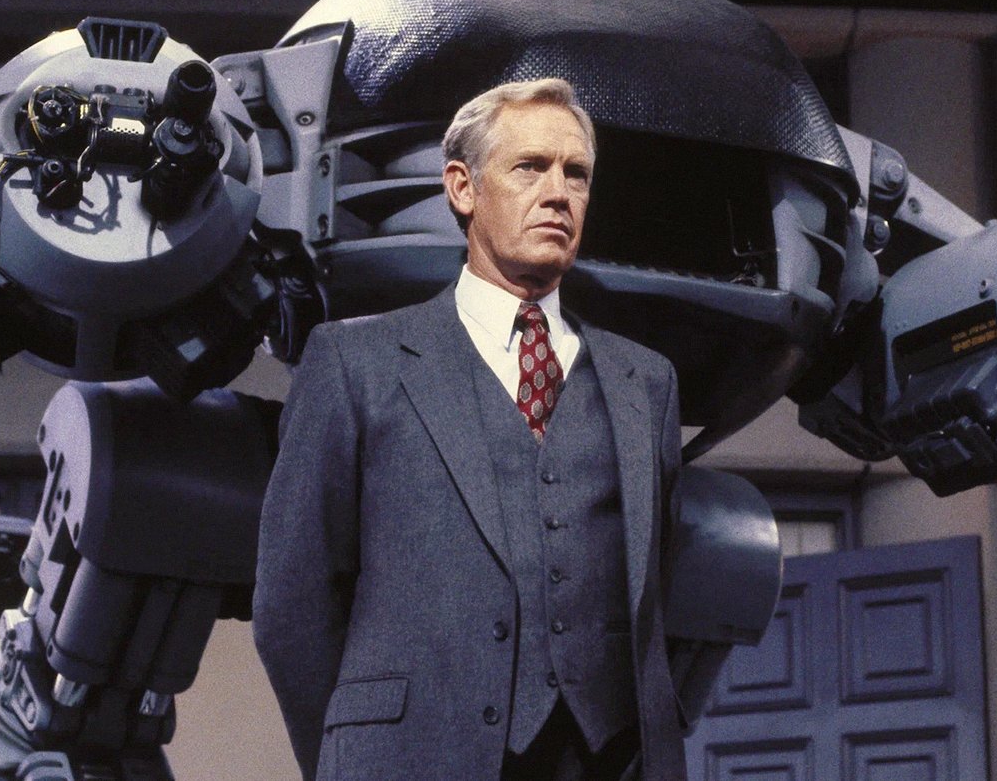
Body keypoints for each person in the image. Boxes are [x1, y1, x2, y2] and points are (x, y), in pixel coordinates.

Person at [254, 78, 686, 781]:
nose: (558, 194)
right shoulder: (353, 363)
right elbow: (291, 605)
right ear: (462, 188)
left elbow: (660, 598)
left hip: (603, 759)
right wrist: (352, 755)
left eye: (576, 174)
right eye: (530, 167)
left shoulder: (647, 382)